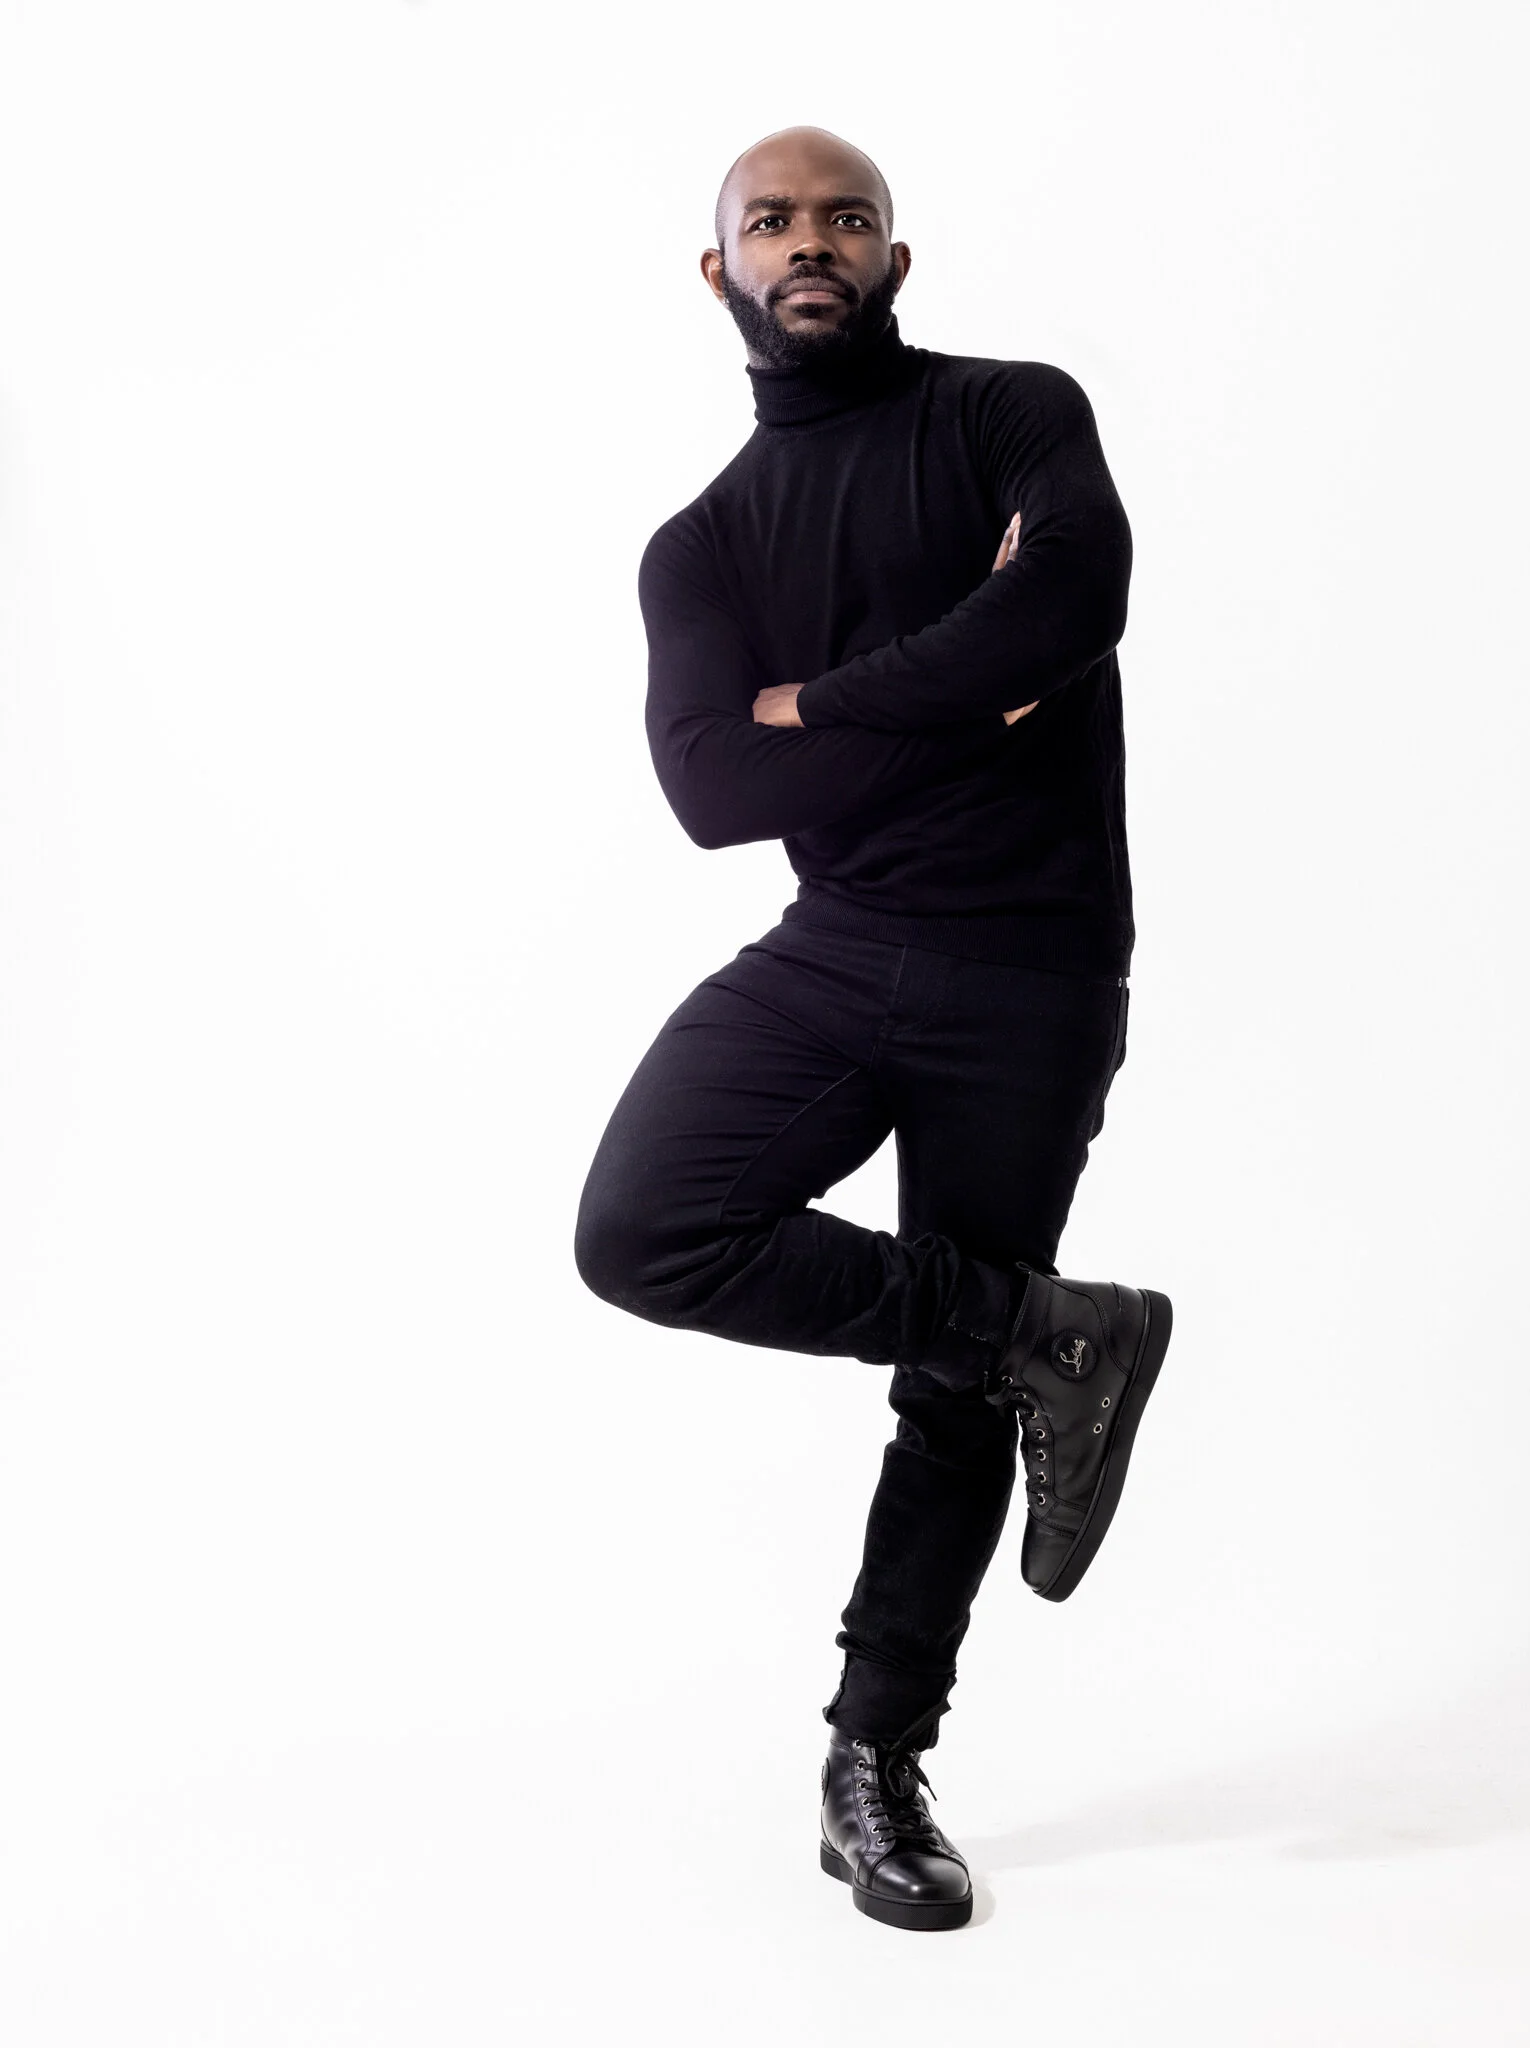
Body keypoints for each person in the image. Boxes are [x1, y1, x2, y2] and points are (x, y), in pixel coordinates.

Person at [574, 124, 1172, 1932]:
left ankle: (873, 1767)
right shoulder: (699, 545)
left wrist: (814, 709)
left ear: (893, 259)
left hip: (1033, 968)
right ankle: (1051, 1334)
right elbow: (709, 790)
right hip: (839, 949)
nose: (810, 241)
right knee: (644, 1230)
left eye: (846, 218)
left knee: (944, 1398)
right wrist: (966, 687)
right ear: (722, 270)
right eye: (772, 221)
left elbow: (1069, 603)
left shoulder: (1007, 413)